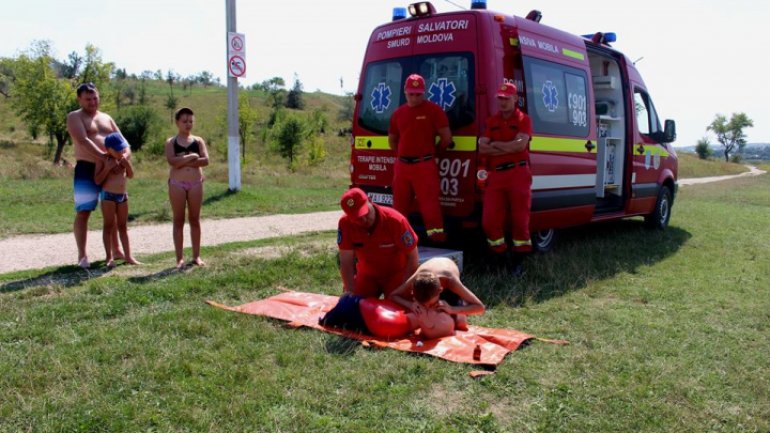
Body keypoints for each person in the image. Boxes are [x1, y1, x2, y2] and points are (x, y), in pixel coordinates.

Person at [66, 82, 125, 269]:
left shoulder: (106, 118)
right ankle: (82, 255)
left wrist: (123, 159)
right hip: (87, 168)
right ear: (79, 99)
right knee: (83, 211)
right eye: (88, 98)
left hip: (112, 170)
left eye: (95, 98)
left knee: (113, 210)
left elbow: (123, 141)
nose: (92, 101)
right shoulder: (75, 117)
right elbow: (82, 140)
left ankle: (116, 250)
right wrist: (103, 157)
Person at [388, 74, 452, 243]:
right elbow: (392, 140)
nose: (415, 97)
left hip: (424, 165)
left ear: (424, 92)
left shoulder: (434, 110)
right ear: (405, 92)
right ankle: (398, 240)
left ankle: (437, 241)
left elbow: (446, 138)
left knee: (430, 207)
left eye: (418, 94)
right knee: (399, 206)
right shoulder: (398, 113)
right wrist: (402, 155)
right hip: (402, 166)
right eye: (411, 94)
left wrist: (432, 153)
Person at [478, 82, 534, 275]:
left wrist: (495, 145)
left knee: (520, 220)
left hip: (518, 174)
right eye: (500, 98)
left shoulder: (523, 119)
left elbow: (519, 147)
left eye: (506, 98)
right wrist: (507, 145)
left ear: (515, 99)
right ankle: (500, 257)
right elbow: (482, 148)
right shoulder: (492, 121)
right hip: (497, 175)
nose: (502, 102)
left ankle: (519, 261)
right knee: (489, 221)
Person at [337, 187, 419, 299]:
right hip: (367, 276)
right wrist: (350, 290)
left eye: (365, 213)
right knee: (353, 306)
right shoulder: (345, 224)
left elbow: (413, 258)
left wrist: (404, 288)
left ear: (370, 201)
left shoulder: (395, 220)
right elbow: (346, 261)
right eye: (357, 218)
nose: (364, 220)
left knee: (398, 309)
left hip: (396, 275)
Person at [389, 257, 485, 339]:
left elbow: (480, 308)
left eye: (431, 304)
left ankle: (458, 305)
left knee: (461, 324)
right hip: (430, 271)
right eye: (422, 303)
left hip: (446, 270)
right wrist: (411, 305)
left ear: (440, 290)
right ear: (413, 292)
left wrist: (452, 309)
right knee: (415, 313)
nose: (427, 307)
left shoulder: (451, 281)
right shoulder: (416, 280)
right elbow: (393, 295)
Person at [165, 107, 209, 269]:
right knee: (178, 220)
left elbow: (205, 161)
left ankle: (196, 256)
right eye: (184, 121)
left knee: (195, 220)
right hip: (177, 185)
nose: (188, 124)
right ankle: (179, 259)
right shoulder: (171, 142)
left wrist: (181, 160)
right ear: (177, 122)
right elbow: (172, 161)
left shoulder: (198, 141)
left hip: (195, 184)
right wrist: (191, 157)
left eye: (191, 121)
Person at [94, 132, 141, 268]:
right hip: (108, 196)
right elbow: (97, 180)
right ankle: (109, 257)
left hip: (122, 196)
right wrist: (107, 169)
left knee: (123, 227)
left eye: (122, 148)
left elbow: (131, 175)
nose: (121, 151)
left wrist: (127, 165)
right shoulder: (102, 160)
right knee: (108, 226)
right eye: (117, 149)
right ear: (108, 149)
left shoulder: (123, 159)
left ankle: (128, 256)